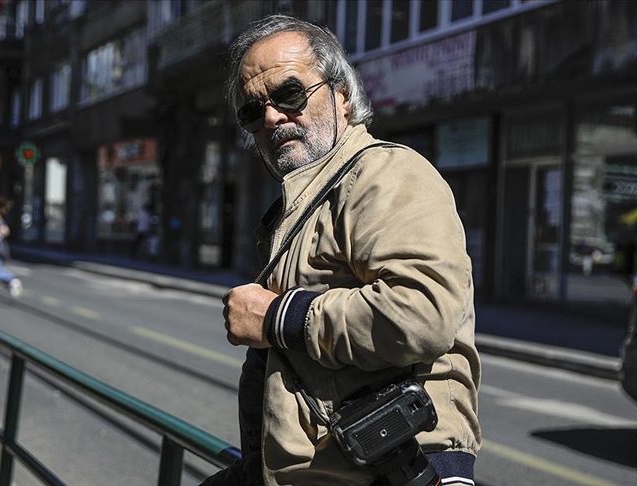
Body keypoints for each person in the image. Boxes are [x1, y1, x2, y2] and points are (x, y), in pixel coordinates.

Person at [204, 15, 481, 486]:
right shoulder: (303, 203)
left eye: (290, 94)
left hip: (392, 470)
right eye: (253, 111)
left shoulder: (385, 174)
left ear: (344, 96)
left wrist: (277, 317)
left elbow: (423, 313)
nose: (271, 117)